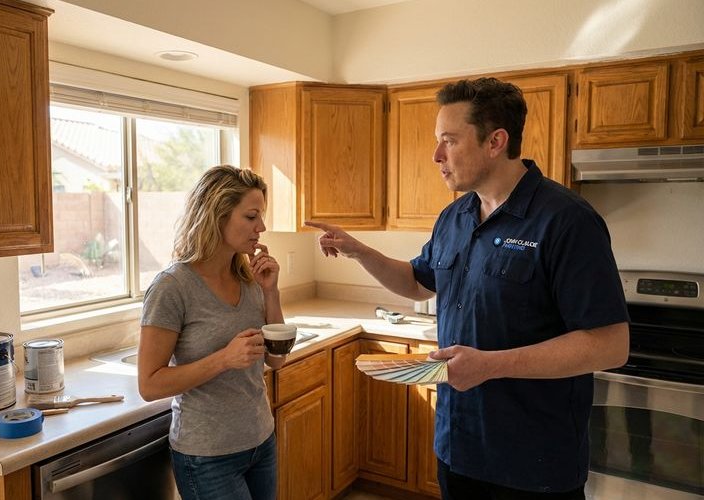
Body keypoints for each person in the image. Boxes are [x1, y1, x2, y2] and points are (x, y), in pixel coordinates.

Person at [306, 77, 629, 500]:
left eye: (450, 141)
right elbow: (418, 283)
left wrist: (490, 364)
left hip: (534, 463)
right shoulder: (455, 216)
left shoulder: (566, 221)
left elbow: (610, 344)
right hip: (458, 449)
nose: (437, 155)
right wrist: (359, 251)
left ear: (495, 141)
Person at [139, 164, 286, 500]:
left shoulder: (249, 278)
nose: (261, 227)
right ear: (217, 215)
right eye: (251, 216)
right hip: (207, 456)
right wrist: (223, 359)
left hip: (261, 441)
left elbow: (276, 362)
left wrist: (271, 292)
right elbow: (149, 384)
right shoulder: (172, 287)